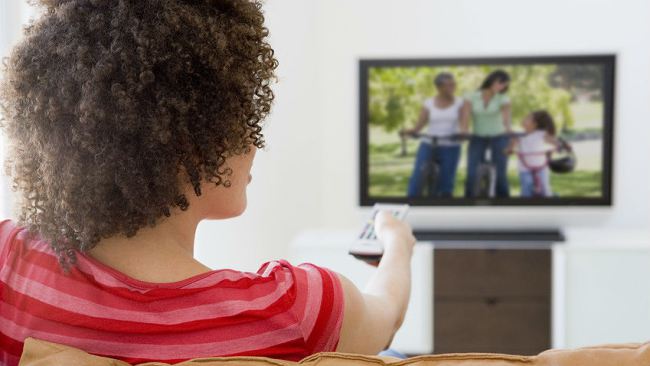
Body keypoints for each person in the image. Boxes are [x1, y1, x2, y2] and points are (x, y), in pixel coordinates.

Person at [0, 1, 416, 365]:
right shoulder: (295, 312)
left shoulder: (8, 264)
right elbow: (387, 313)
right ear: (192, 141)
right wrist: (397, 244)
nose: (254, 141)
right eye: (238, 120)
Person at [401, 73, 465, 198]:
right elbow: (420, 124)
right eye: (449, 85)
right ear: (439, 87)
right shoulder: (429, 103)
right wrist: (411, 131)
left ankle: (443, 209)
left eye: (454, 84)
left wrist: (462, 133)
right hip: (429, 143)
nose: (453, 87)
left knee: (446, 183)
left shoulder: (460, 103)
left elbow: (464, 123)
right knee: (417, 179)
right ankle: (409, 207)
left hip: (451, 145)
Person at [462, 70, 513, 198]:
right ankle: (468, 203)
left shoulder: (503, 98)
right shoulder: (471, 96)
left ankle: (504, 203)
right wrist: (464, 131)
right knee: (472, 173)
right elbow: (465, 115)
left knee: (500, 174)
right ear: (491, 80)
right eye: (500, 83)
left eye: (504, 85)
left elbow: (506, 118)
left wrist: (508, 130)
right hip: (478, 137)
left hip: (499, 137)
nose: (502, 87)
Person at [505, 111, 562, 197]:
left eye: (527, 118)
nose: (523, 119)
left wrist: (558, 145)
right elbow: (509, 149)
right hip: (524, 168)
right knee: (526, 190)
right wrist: (510, 148)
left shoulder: (541, 134)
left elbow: (553, 141)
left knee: (545, 190)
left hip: (541, 167)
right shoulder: (519, 137)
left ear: (534, 124)